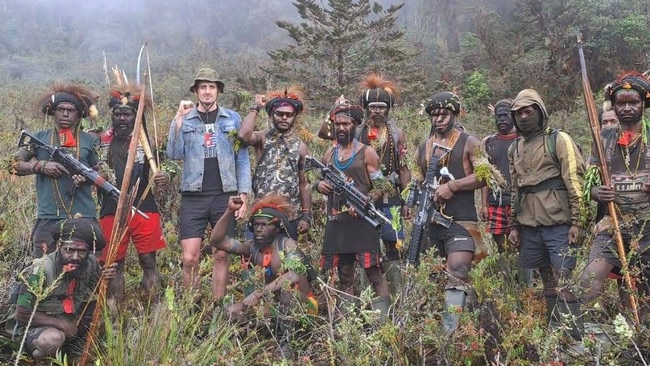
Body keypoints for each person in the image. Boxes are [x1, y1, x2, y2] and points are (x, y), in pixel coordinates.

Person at [166, 67, 252, 301]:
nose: (207, 91)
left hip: (225, 195)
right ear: (195, 91)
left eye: (211, 87)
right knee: (190, 257)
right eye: (202, 87)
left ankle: (218, 309)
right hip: (193, 195)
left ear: (218, 91)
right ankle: (189, 310)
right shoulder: (186, 118)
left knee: (221, 254)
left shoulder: (232, 118)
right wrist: (178, 120)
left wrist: (243, 194)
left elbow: (242, 159)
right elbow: (173, 154)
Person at [507, 89, 585, 339]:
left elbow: (574, 180)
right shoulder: (514, 148)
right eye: (519, 113)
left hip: (558, 223)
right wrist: (514, 226)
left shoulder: (559, 139)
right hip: (530, 226)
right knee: (546, 279)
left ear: (540, 112)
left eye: (528, 111)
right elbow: (514, 189)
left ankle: (573, 335)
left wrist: (578, 221)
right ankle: (554, 332)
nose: (524, 116)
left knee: (565, 278)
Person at [208, 194, 316, 358]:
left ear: (277, 227)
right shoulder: (252, 248)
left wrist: (259, 293)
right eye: (256, 224)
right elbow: (216, 241)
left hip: (304, 307)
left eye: (264, 225)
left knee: (288, 292)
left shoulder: (287, 245)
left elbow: (293, 275)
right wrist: (229, 211)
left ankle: (288, 345)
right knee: (231, 311)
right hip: (272, 305)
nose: (259, 229)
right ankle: (238, 348)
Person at [415, 92, 486, 332]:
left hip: (462, 220)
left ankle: (450, 332)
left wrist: (453, 185)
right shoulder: (423, 147)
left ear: (454, 115)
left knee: (457, 268)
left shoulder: (469, 142)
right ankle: (465, 317)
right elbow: (417, 179)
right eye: (435, 115)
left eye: (444, 115)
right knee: (434, 274)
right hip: (432, 223)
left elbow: (486, 175)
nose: (439, 120)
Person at [581, 72, 650, 322]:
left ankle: (637, 339)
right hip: (614, 223)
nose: (627, 108)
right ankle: (583, 336)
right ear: (615, 106)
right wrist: (597, 193)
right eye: (621, 103)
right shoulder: (603, 139)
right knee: (590, 278)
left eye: (634, 102)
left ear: (644, 104)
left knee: (639, 291)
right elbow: (589, 186)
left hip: (647, 226)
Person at [315, 102, 392, 318]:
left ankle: (383, 322)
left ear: (355, 125)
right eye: (337, 124)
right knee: (344, 274)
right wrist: (319, 186)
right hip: (338, 222)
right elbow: (322, 184)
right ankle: (347, 323)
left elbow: (383, 186)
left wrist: (366, 201)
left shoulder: (367, 153)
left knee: (373, 272)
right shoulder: (329, 155)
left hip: (363, 222)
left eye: (345, 124)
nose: (340, 128)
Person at [11, 82, 100, 258]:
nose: (65, 114)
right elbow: (13, 164)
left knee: (88, 267)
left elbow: (104, 171)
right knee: (40, 268)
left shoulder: (90, 140)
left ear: (78, 114)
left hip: (83, 214)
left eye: (71, 110)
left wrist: (88, 177)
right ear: (53, 112)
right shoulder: (39, 138)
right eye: (61, 109)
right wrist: (40, 166)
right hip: (49, 215)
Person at [97, 85, 168, 305]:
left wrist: (164, 176)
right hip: (111, 209)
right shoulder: (101, 143)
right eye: (117, 114)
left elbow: (166, 168)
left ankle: (156, 310)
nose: (121, 118)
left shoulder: (147, 145)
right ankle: (115, 314)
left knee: (148, 260)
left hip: (144, 208)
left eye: (127, 114)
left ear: (135, 117)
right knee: (113, 263)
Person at [6, 218, 115, 360]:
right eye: (69, 250)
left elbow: (98, 295)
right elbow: (23, 315)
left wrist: (105, 279)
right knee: (52, 340)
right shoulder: (39, 271)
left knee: (109, 310)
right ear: (59, 246)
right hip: (34, 330)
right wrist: (62, 325)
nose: (75, 257)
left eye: (81, 251)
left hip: (71, 323)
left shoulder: (90, 264)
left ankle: (76, 352)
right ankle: (43, 360)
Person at [238, 86, 312, 239]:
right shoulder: (262, 138)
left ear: (294, 117)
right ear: (272, 114)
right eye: (280, 114)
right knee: (257, 258)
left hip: (290, 215)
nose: (284, 118)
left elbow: (304, 184)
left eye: (289, 115)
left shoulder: (301, 147)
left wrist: (306, 216)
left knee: (285, 258)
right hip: (261, 214)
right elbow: (244, 136)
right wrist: (255, 107)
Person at [481, 99, 517, 253]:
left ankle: (522, 275)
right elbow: (485, 175)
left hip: (517, 201)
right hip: (496, 201)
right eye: (498, 116)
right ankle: (506, 271)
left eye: (506, 115)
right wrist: (484, 204)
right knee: (500, 243)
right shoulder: (489, 142)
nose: (502, 119)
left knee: (519, 241)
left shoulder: (522, 139)